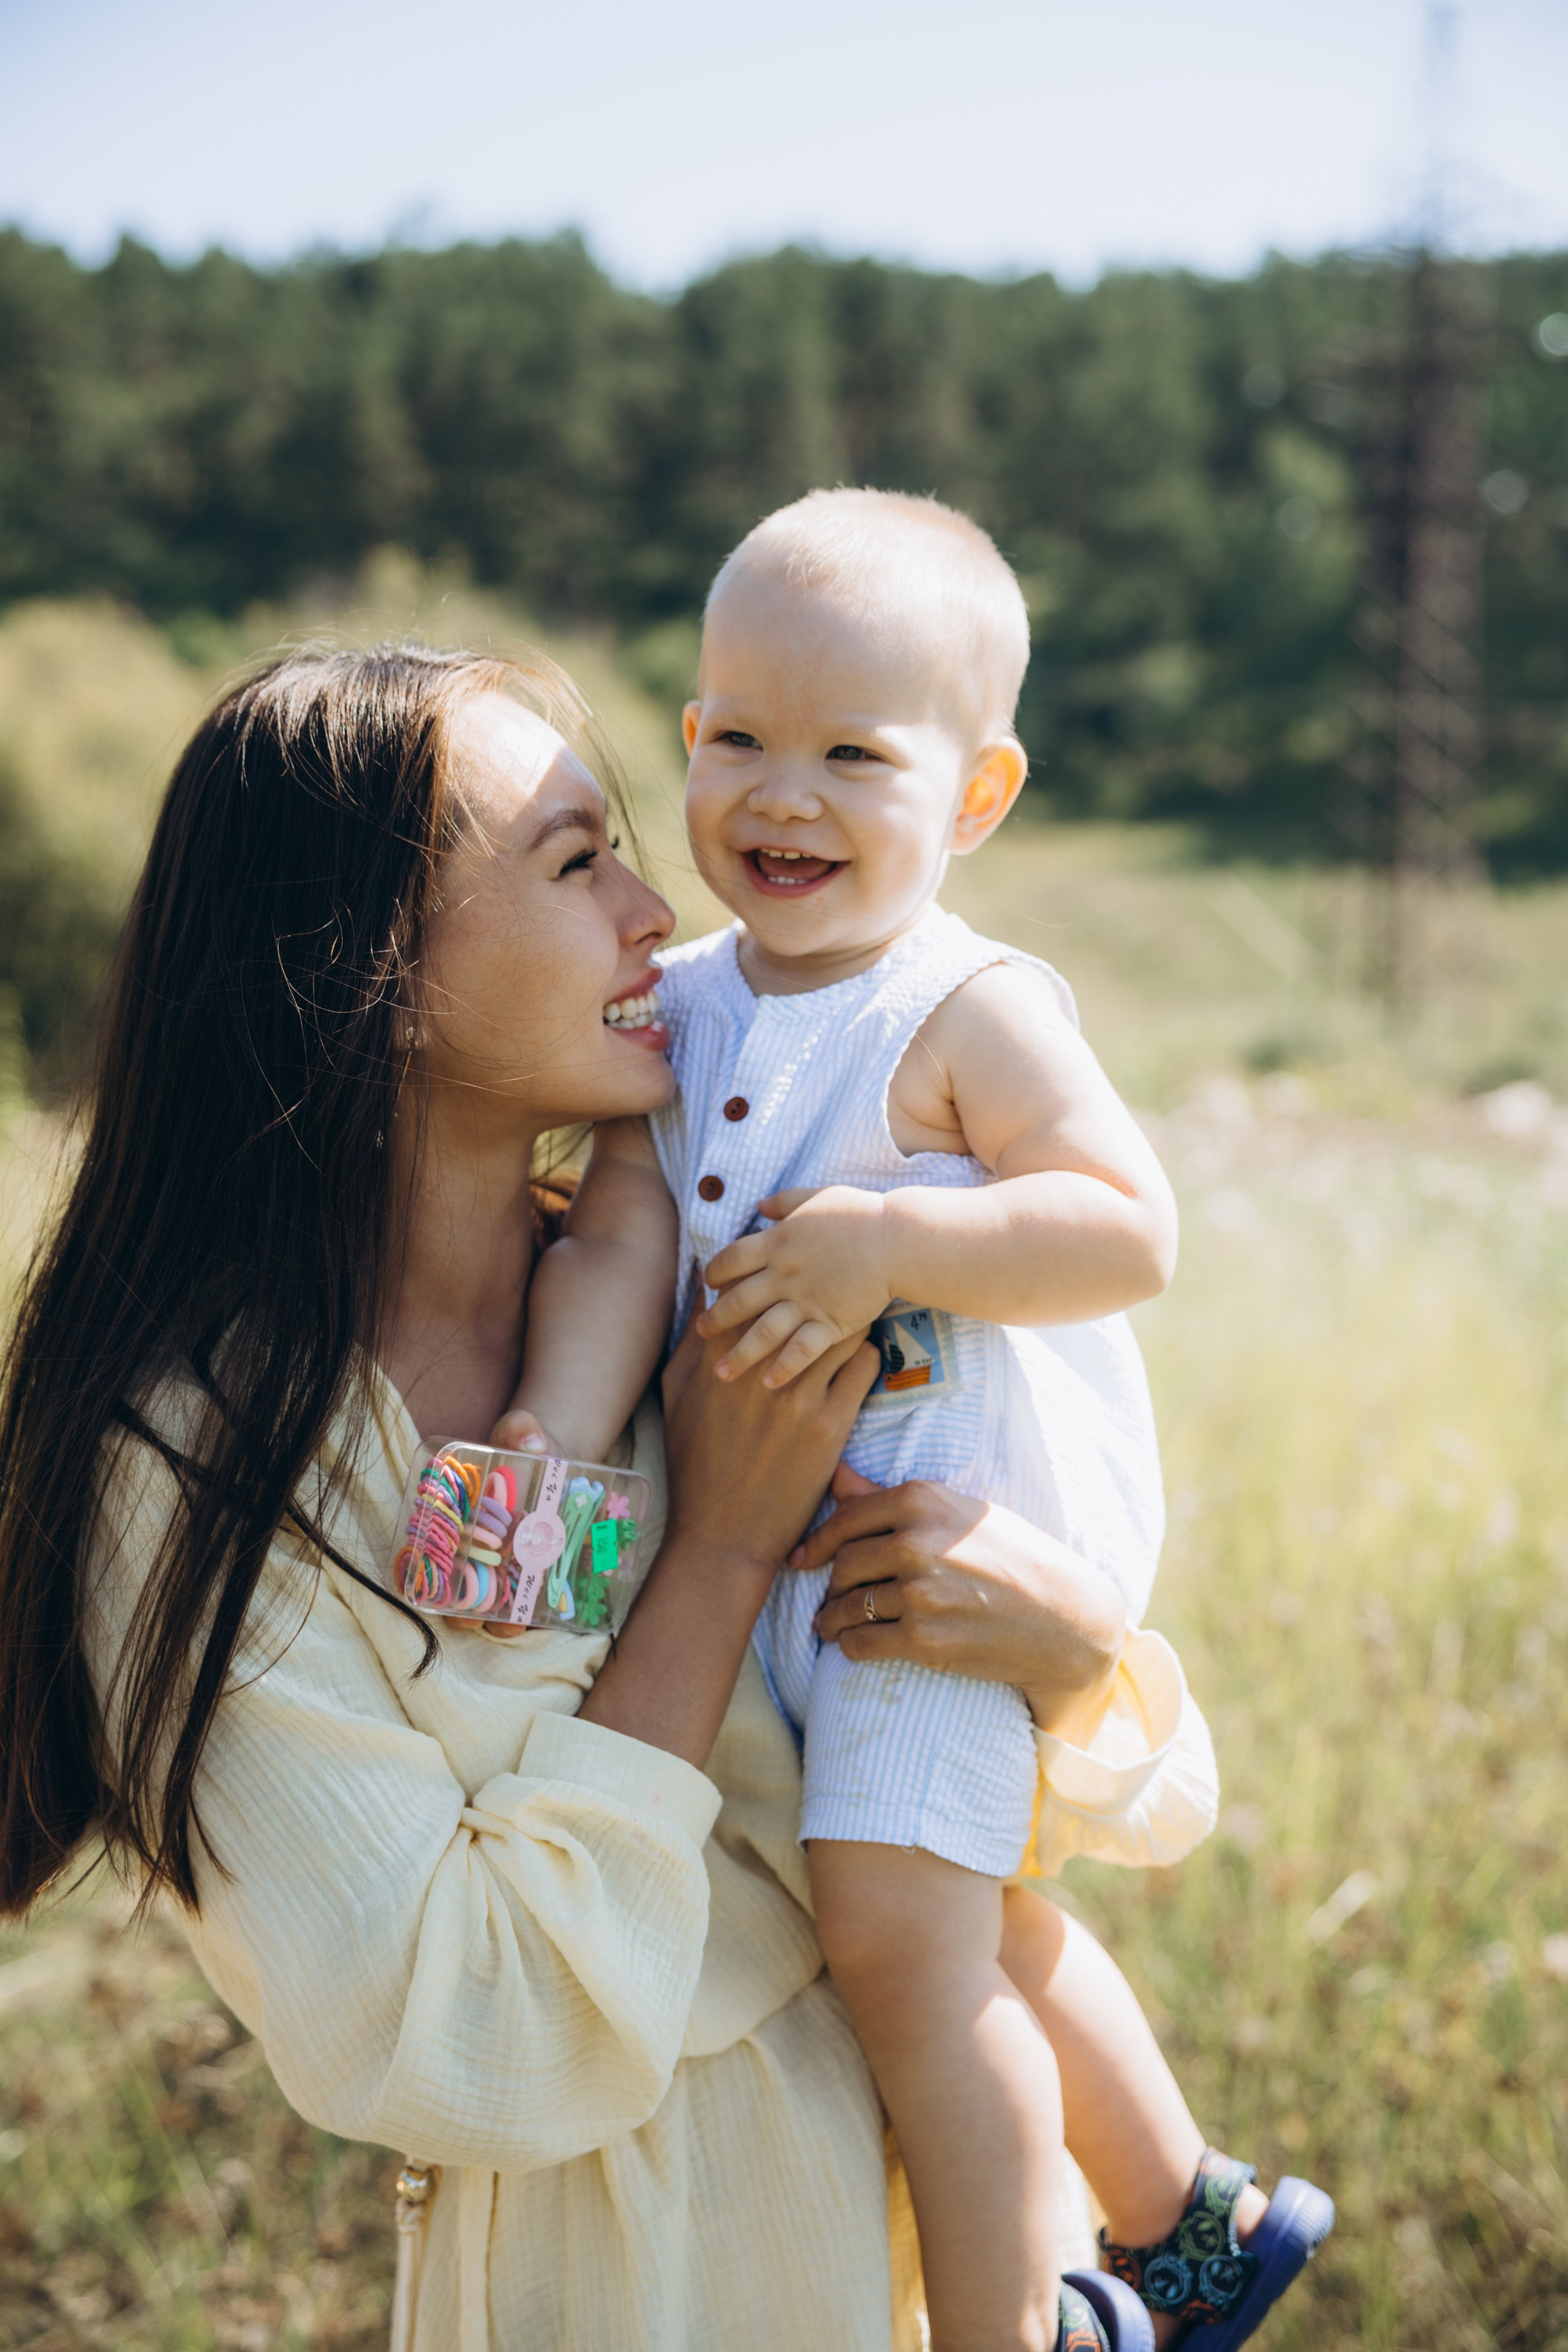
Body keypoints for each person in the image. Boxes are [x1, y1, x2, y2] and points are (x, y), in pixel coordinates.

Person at [0, 646, 1204, 2352]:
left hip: (951, 2251)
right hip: (629, 2290)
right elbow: (470, 2037)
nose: (661, 914)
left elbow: (1019, 1815)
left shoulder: (727, 1318)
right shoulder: (198, 1463)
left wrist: (1078, 1655)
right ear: (377, 970)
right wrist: (712, 1551)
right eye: (577, 864)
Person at [503, 492, 1333, 2352]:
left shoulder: (966, 1007)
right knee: (958, 1918)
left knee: (898, 1943)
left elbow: (1130, 1227)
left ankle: (1012, 2328)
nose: (777, 793)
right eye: (733, 736)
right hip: (767, 1571)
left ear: (975, 799)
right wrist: (552, 1450)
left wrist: (897, 1230)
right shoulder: (683, 1008)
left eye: (852, 755)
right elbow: (628, 1233)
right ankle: (1190, 2225)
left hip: (925, 1565)